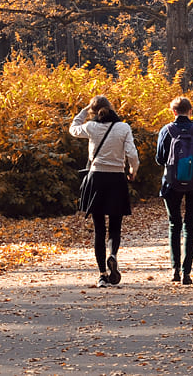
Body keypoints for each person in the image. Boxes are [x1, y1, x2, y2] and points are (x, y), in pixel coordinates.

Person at [70, 95, 139, 288]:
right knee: (115, 225)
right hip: (117, 178)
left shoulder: (91, 127)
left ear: (93, 111)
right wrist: (133, 171)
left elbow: (73, 129)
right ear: (111, 108)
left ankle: (102, 275)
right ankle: (113, 255)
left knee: (99, 229)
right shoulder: (123, 128)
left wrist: (83, 111)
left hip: (96, 178)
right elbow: (132, 154)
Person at [156, 96, 193, 284]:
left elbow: (160, 159)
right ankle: (187, 273)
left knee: (174, 224)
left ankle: (174, 270)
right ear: (190, 110)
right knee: (190, 227)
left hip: (171, 183)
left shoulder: (166, 130)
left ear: (173, 112)